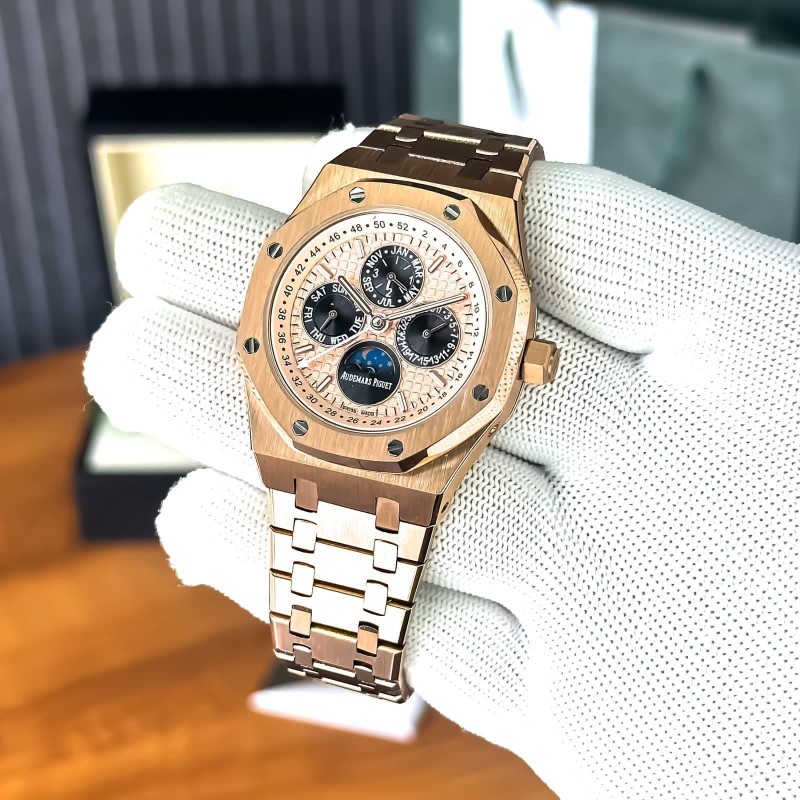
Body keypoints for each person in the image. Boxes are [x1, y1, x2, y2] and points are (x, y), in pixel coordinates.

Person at [84, 127, 800, 799]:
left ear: (524, 362)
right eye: (353, 317)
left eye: (418, 330)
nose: (376, 330)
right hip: (304, 419)